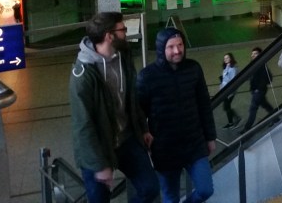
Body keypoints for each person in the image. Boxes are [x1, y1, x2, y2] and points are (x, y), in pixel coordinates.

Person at [69, 12, 159, 203]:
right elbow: (83, 125)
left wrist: (142, 128)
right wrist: (100, 165)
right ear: (110, 35)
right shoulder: (83, 74)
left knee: (150, 188)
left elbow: (132, 98)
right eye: (123, 29)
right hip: (98, 148)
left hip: (126, 139)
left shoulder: (123, 55)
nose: (126, 33)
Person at [136, 28, 216, 203]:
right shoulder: (147, 76)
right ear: (161, 49)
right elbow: (138, 112)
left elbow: (204, 105)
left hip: (194, 144)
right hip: (165, 149)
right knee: (170, 196)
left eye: (180, 45)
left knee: (205, 189)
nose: (177, 51)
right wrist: (144, 133)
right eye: (171, 47)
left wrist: (210, 138)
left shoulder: (194, 68)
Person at [242, 47, 276, 132]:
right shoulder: (253, 64)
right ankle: (276, 118)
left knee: (253, 108)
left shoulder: (262, 65)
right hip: (255, 90)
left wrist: (259, 88)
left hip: (259, 91)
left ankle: (247, 128)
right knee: (266, 105)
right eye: (252, 54)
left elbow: (269, 78)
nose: (253, 55)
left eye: (255, 53)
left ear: (260, 55)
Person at [219, 53, 242, 129]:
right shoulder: (226, 67)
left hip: (229, 91)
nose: (225, 59)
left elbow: (232, 80)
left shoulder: (233, 69)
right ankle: (231, 122)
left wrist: (229, 92)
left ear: (231, 58)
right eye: (224, 58)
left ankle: (237, 118)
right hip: (225, 90)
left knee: (226, 107)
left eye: (227, 58)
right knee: (226, 107)